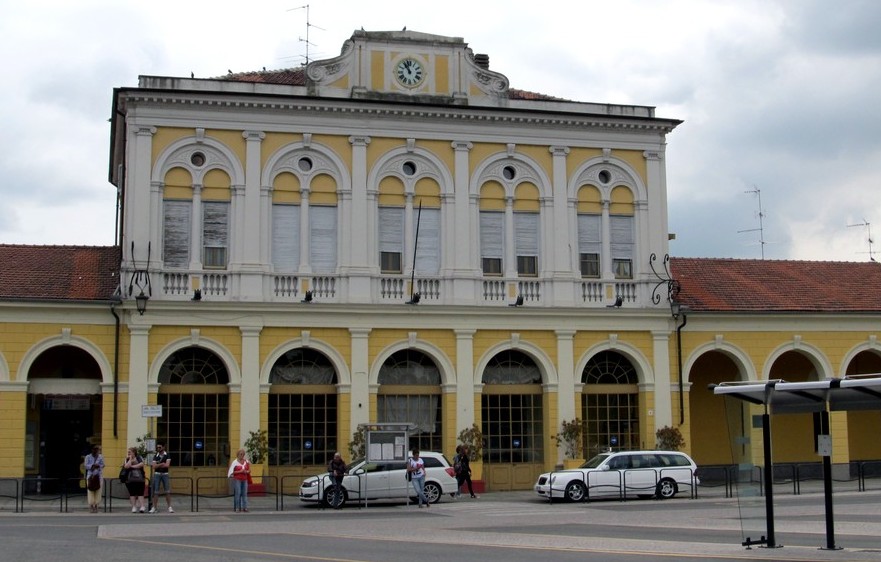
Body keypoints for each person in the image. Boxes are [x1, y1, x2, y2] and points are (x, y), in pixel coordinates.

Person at [149, 441, 173, 513]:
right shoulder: (156, 455)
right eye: (157, 447)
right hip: (157, 473)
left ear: (163, 447)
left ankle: (169, 507)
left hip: (165, 473)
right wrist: (162, 463)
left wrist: (158, 464)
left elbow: (167, 465)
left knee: (167, 491)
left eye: (159, 447)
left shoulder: (167, 455)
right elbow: (153, 466)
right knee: (156, 491)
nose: (158, 449)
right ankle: (154, 507)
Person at [123, 447, 147, 513]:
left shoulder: (139, 457)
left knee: (140, 493)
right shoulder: (127, 459)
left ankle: (142, 506)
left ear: (134, 452)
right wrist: (130, 459)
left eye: (130, 452)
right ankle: (134, 507)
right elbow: (126, 466)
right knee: (132, 493)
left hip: (140, 478)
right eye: (128, 452)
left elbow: (141, 464)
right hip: (130, 479)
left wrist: (132, 466)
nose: (128, 453)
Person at [228, 448, 251, 512]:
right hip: (237, 479)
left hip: (244, 479)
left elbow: (249, 470)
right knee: (238, 493)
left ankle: (245, 507)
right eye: (241, 454)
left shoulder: (246, 461)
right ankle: (237, 507)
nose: (242, 455)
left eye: (243, 454)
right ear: (238, 454)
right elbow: (232, 472)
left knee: (244, 493)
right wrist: (240, 471)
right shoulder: (235, 462)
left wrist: (247, 471)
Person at [84, 445, 104, 513]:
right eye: (95, 449)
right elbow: (86, 465)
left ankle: (96, 505)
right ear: (92, 450)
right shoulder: (88, 456)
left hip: (99, 476)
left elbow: (103, 465)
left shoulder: (101, 456)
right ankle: (91, 505)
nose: (96, 450)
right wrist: (92, 466)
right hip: (90, 476)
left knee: (98, 491)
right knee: (90, 490)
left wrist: (99, 466)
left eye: (97, 449)